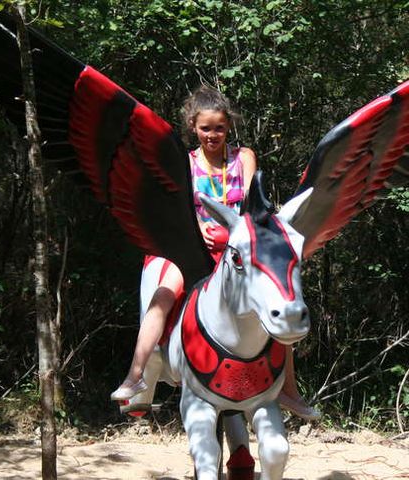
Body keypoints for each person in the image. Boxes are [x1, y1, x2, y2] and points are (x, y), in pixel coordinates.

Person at [111, 86, 320, 421]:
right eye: (206, 128)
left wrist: (238, 232)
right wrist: (199, 228)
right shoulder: (186, 162)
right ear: (193, 127)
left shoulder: (243, 157)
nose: (212, 135)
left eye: (219, 128)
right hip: (195, 245)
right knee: (163, 296)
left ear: (229, 126)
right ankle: (136, 375)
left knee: (279, 298)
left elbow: (252, 204)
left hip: (237, 247)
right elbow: (179, 205)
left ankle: (288, 389)